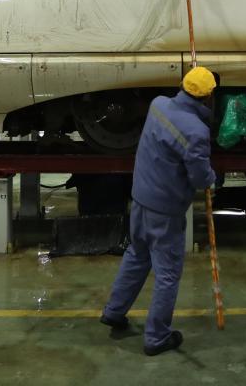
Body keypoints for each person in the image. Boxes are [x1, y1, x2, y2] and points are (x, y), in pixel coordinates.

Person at [101, 66, 218, 356]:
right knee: (167, 274)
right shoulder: (197, 131)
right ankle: (156, 337)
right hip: (165, 211)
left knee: (137, 256)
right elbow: (200, 177)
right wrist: (212, 178)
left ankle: (114, 312)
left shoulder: (158, 105)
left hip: (140, 199)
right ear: (209, 97)